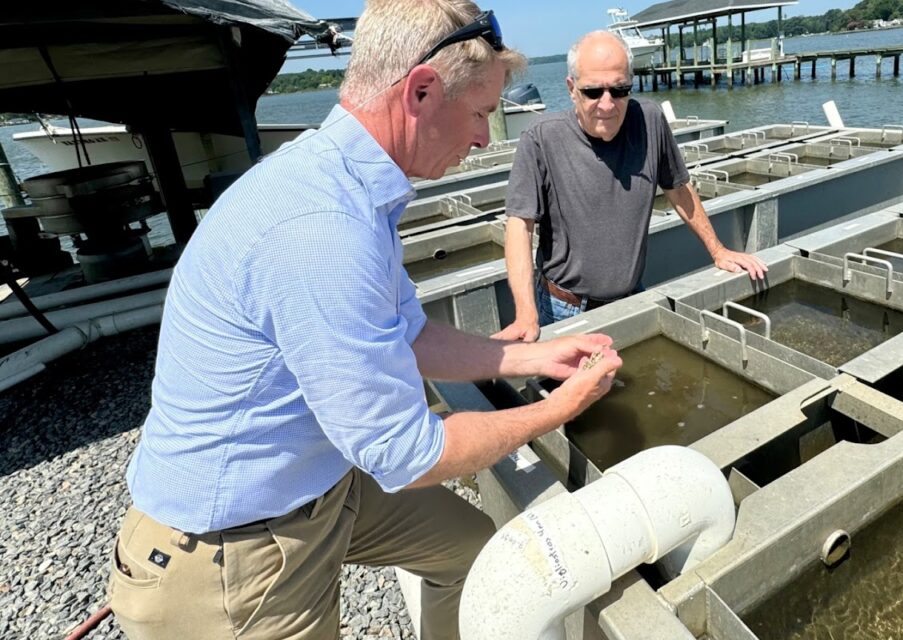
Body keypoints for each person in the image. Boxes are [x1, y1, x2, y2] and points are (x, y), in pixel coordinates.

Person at [107, 3, 621, 639]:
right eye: (482, 113)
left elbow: (409, 333)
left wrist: (535, 358)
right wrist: (558, 407)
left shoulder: (344, 183)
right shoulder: (324, 229)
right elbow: (408, 455)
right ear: (422, 92)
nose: (487, 138)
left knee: (470, 550)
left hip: (319, 482)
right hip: (231, 549)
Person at [493, 31, 768, 342]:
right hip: (565, 307)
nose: (607, 104)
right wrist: (526, 312)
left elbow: (678, 188)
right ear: (572, 89)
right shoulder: (540, 139)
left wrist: (718, 251)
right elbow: (519, 224)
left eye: (620, 90)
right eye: (593, 92)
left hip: (632, 297)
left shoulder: (649, 120)